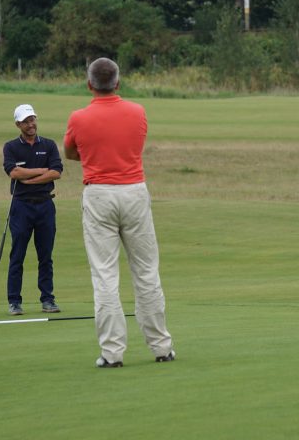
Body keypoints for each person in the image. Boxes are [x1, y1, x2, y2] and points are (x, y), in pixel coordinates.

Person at [64, 58, 175, 368]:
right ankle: (161, 347)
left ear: (89, 84)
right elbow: (134, 146)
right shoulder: (137, 112)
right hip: (134, 192)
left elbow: (71, 152)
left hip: (99, 194)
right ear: (118, 82)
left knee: (104, 275)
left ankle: (112, 353)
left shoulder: (78, 117)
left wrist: (94, 153)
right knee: (146, 271)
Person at [2, 104, 63, 316]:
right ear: (18, 124)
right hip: (21, 206)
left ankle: (47, 299)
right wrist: (40, 171)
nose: (31, 124)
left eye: (32, 120)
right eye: (26, 121)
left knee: (45, 255)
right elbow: (14, 172)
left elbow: (56, 172)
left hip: (45, 205)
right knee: (17, 254)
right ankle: (14, 301)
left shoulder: (49, 145)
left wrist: (29, 178)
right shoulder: (11, 147)